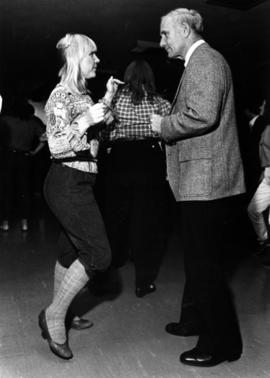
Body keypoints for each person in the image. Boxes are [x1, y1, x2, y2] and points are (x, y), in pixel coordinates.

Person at [150, 8, 245, 367]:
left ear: (186, 30)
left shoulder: (205, 61)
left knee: (205, 266)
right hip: (201, 181)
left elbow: (202, 115)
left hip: (207, 183)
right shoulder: (201, 62)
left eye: (165, 34)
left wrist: (164, 125)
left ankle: (222, 345)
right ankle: (195, 320)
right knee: (198, 261)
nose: (161, 42)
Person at [38, 33, 122, 360]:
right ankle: (55, 314)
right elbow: (57, 145)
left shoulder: (82, 94)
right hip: (66, 181)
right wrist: (88, 120)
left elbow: (94, 133)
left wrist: (108, 100)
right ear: (76, 58)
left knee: (68, 250)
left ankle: (65, 312)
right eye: (92, 55)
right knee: (100, 256)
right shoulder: (61, 95)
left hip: (80, 182)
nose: (98, 60)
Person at [102, 59, 172, 297]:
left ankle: (109, 274)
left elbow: (105, 131)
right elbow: (170, 131)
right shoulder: (160, 103)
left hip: (120, 159)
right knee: (147, 221)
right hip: (149, 159)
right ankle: (143, 282)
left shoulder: (117, 101)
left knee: (116, 216)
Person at [0, 97, 46, 231]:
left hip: (8, 157)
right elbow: (44, 138)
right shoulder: (33, 123)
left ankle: (6, 222)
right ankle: (24, 223)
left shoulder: (7, 120)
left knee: (7, 190)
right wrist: (34, 152)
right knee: (24, 190)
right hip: (25, 158)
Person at [247, 100, 270, 261]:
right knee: (253, 209)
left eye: (264, 105)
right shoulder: (267, 127)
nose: (261, 107)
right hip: (268, 173)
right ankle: (265, 241)